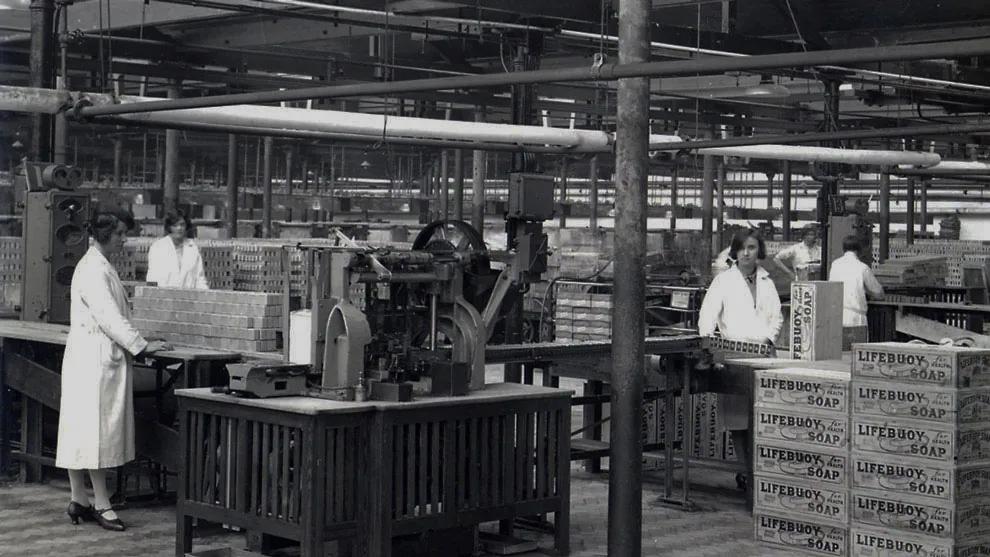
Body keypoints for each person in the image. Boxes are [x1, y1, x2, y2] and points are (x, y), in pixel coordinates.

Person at [55, 212, 171, 531]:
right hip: (95, 359)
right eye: (120, 233)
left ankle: (79, 499)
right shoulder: (93, 269)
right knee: (95, 433)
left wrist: (142, 338)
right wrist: (142, 345)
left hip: (92, 356)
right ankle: (102, 504)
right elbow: (109, 317)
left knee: (83, 429)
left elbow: (115, 315)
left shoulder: (100, 265)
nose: (124, 239)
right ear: (105, 234)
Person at [698, 229, 783, 500]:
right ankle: (746, 470)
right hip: (734, 354)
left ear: (760, 251)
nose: (747, 253)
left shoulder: (767, 282)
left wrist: (769, 338)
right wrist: (711, 348)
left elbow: (777, 316)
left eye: (753, 248)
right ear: (735, 252)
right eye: (743, 248)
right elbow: (707, 317)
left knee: (762, 417)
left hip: (764, 354)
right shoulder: (724, 282)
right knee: (738, 420)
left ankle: (758, 471)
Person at [828, 235, 884, 345]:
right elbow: (879, 294)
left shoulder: (835, 264)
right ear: (860, 250)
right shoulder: (862, 267)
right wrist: (868, 292)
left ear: (843, 248)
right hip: (856, 319)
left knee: (837, 355)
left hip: (836, 317)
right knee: (855, 354)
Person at [146, 210, 209, 289]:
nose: (179, 228)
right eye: (175, 225)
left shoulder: (193, 248)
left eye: (182, 225)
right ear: (169, 227)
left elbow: (200, 278)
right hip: (164, 297)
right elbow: (152, 278)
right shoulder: (158, 248)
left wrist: (206, 296)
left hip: (189, 298)